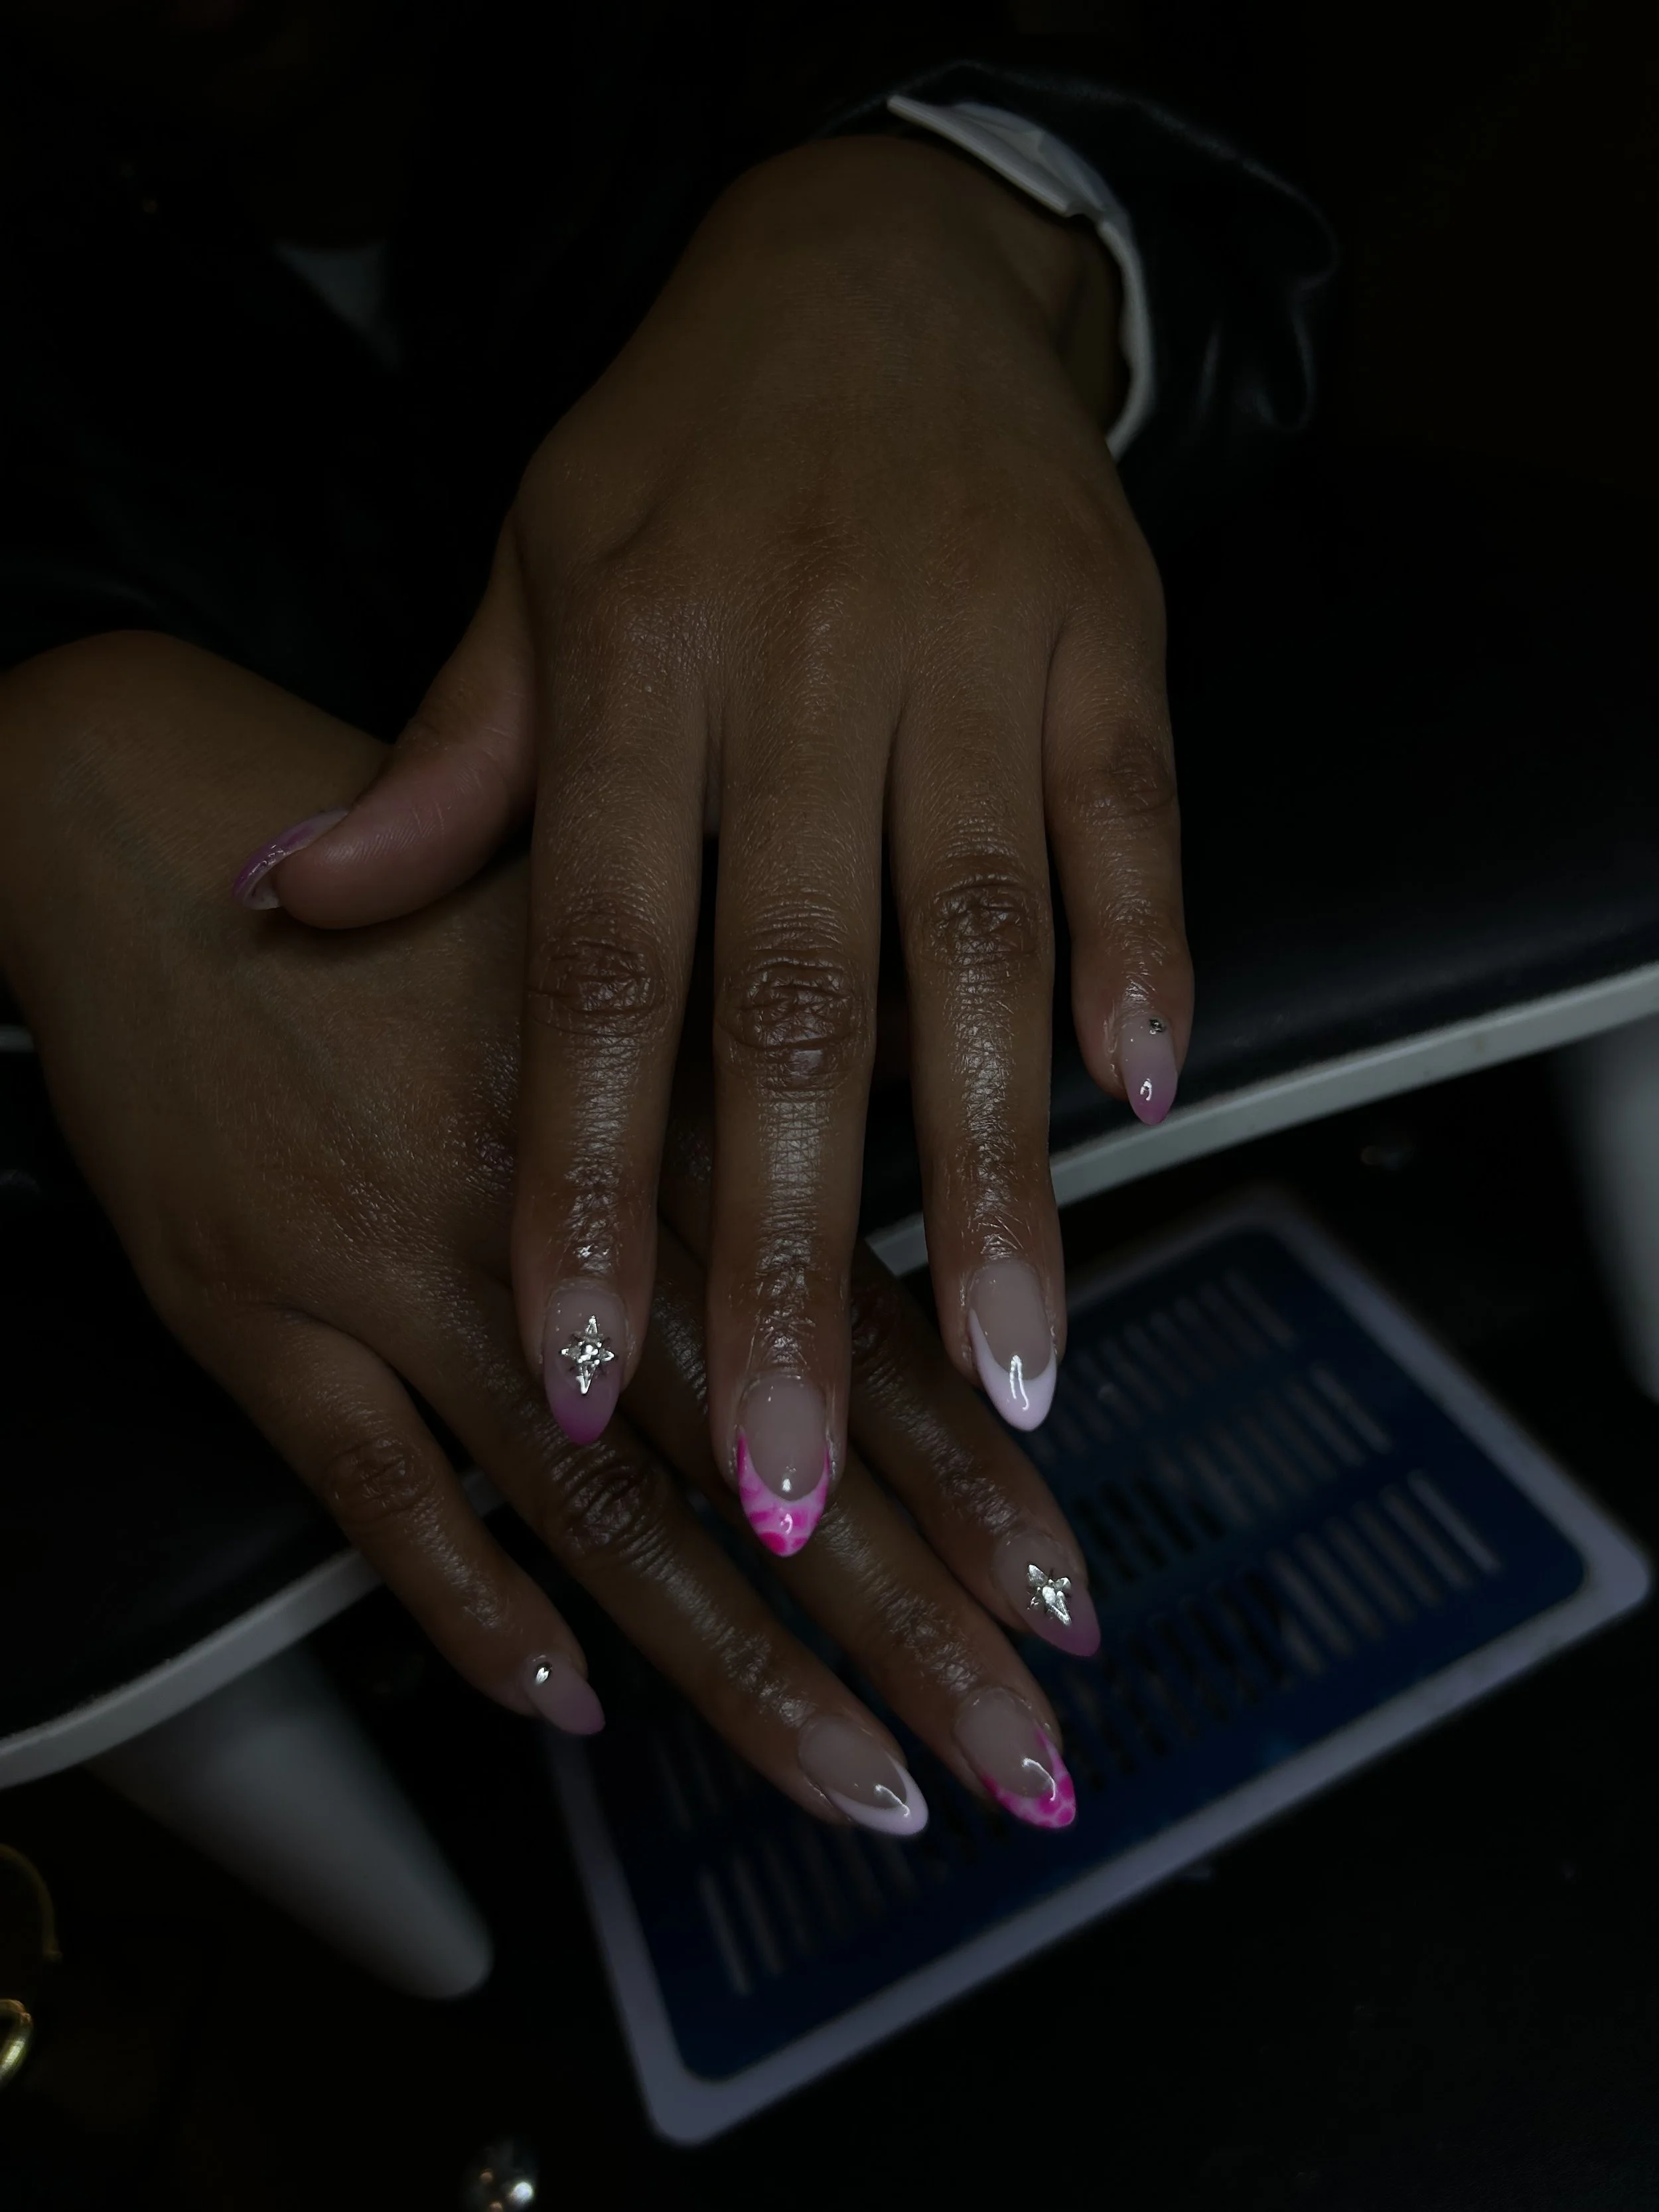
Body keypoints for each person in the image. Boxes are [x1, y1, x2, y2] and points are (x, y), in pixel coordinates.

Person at [0, 1, 1333, 1832]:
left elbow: (1217, 142)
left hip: (1183, 1167)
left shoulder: (686, 67)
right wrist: (36, 782)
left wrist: (949, 209)